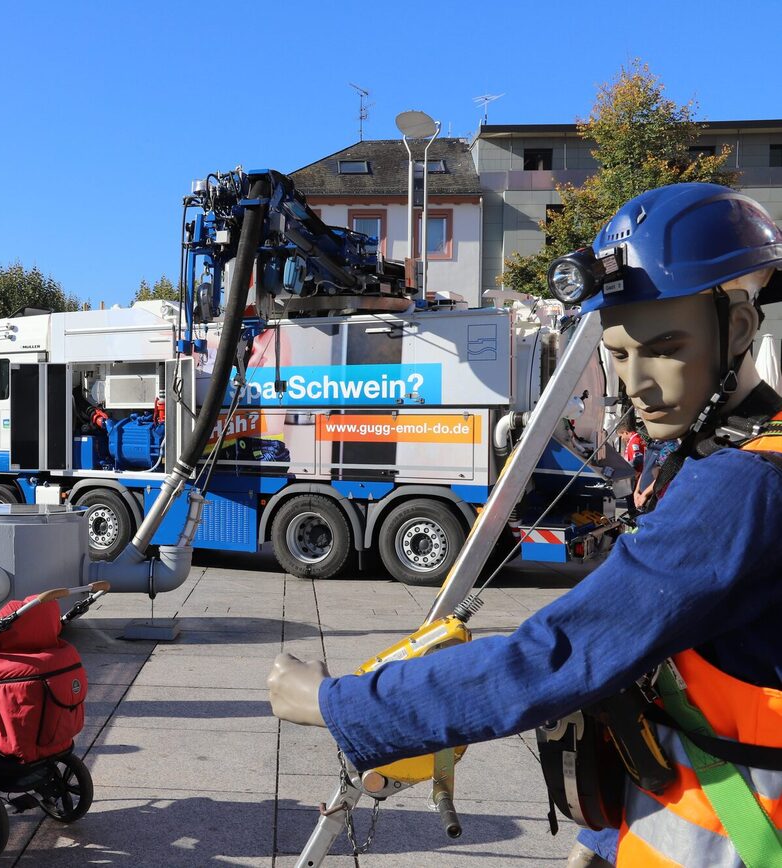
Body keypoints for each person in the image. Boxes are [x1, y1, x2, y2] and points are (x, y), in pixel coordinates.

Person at [267, 183, 782, 867]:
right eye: (619, 354)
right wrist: (601, 838)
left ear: (740, 329)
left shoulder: (742, 486)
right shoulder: (734, 456)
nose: (637, 384)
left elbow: (560, 653)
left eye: (665, 347)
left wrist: (340, 705)